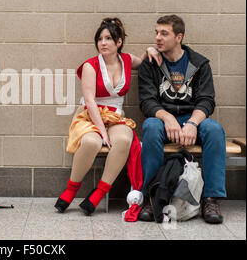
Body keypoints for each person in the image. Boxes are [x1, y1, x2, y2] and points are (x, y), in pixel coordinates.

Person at [55, 17, 161, 216]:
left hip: (115, 116)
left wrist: (151, 50)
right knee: (92, 143)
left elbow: (144, 58)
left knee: (123, 140)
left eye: (108, 39)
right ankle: (71, 189)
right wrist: (102, 132)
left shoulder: (128, 60)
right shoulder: (90, 65)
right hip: (90, 115)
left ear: (119, 42)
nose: (103, 43)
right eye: (100, 39)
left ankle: (99, 193)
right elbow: (90, 100)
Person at [138, 15, 226, 224]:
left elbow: (206, 101)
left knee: (214, 130)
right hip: (162, 118)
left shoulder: (199, 63)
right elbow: (147, 102)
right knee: (149, 126)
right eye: (156, 32)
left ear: (179, 37)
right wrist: (168, 118)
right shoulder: (150, 64)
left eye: (164, 33)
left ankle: (210, 198)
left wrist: (192, 123)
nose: (158, 38)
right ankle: (152, 196)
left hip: (191, 116)